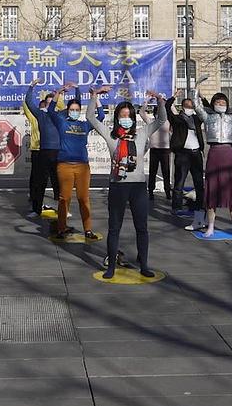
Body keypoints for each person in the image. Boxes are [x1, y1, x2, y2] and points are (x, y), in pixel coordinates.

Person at [88, 87, 166, 279]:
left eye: (129, 115)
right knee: (114, 227)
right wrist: (95, 95)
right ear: (117, 117)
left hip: (138, 186)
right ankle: (111, 266)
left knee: (142, 227)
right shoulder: (110, 135)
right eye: (122, 115)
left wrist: (159, 100)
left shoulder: (141, 134)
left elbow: (161, 120)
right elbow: (90, 118)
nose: (126, 118)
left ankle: (144, 264)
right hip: (117, 185)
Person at [194, 80, 232, 236]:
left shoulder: (231, 118)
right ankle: (210, 226)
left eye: (223, 101)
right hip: (214, 152)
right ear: (213, 104)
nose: (221, 103)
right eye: (218, 101)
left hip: (228, 153)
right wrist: (197, 85)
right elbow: (197, 105)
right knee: (212, 190)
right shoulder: (207, 117)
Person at [51, 82, 95, 240]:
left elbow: (101, 116)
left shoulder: (85, 125)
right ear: (67, 111)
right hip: (64, 166)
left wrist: (95, 98)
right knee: (65, 198)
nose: (75, 112)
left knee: (84, 198)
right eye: (72, 109)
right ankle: (61, 228)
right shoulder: (62, 122)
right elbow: (50, 110)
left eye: (77, 110)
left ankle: (88, 229)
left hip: (83, 167)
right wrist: (60, 92)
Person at [24, 83, 63, 216]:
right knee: (40, 182)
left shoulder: (60, 117)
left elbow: (69, 106)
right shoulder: (41, 116)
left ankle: (62, 209)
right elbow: (28, 102)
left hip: (58, 153)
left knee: (58, 182)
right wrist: (31, 86)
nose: (50, 105)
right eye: (48, 103)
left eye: (53, 103)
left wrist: (66, 91)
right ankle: (36, 209)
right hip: (44, 152)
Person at [166, 92, 205, 224]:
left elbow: (208, 110)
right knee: (179, 182)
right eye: (188, 106)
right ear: (183, 107)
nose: (190, 108)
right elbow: (167, 108)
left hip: (196, 153)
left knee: (199, 182)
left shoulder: (196, 119)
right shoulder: (178, 119)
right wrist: (174, 96)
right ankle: (176, 207)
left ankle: (200, 205)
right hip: (183, 154)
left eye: (192, 106)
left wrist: (202, 98)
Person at [141, 95, 171, 202]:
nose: (159, 113)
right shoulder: (151, 122)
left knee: (166, 172)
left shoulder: (168, 121)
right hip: (154, 150)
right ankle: (151, 192)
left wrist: (166, 102)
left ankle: (168, 192)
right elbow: (142, 113)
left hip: (165, 150)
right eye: (157, 111)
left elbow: (173, 111)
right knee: (152, 172)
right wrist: (147, 101)